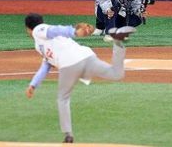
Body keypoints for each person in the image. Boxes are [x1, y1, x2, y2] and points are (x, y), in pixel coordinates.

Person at [24, 13, 136, 143]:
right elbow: (46, 65)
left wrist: (73, 32)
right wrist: (33, 84)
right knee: (116, 74)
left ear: (28, 28)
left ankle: (68, 135)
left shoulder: (39, 30)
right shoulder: (40, 45)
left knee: (63, 99)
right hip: (86, 57)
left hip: (69, 64)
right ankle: (118, 42)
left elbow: (56, 30)